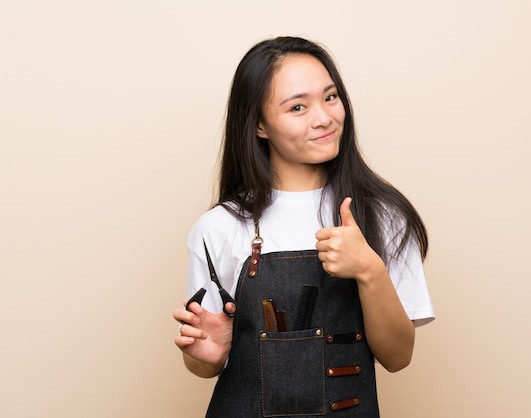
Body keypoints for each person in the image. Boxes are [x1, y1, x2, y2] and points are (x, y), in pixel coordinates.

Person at [172, 36, 435, 417]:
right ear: (260, 125)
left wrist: (368, 269)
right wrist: (208, 357)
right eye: (298, 106)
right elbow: (204, 363)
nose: (324, 117)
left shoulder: (382, 215)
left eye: (330, 97)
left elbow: (397, 357)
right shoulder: (218, 227)